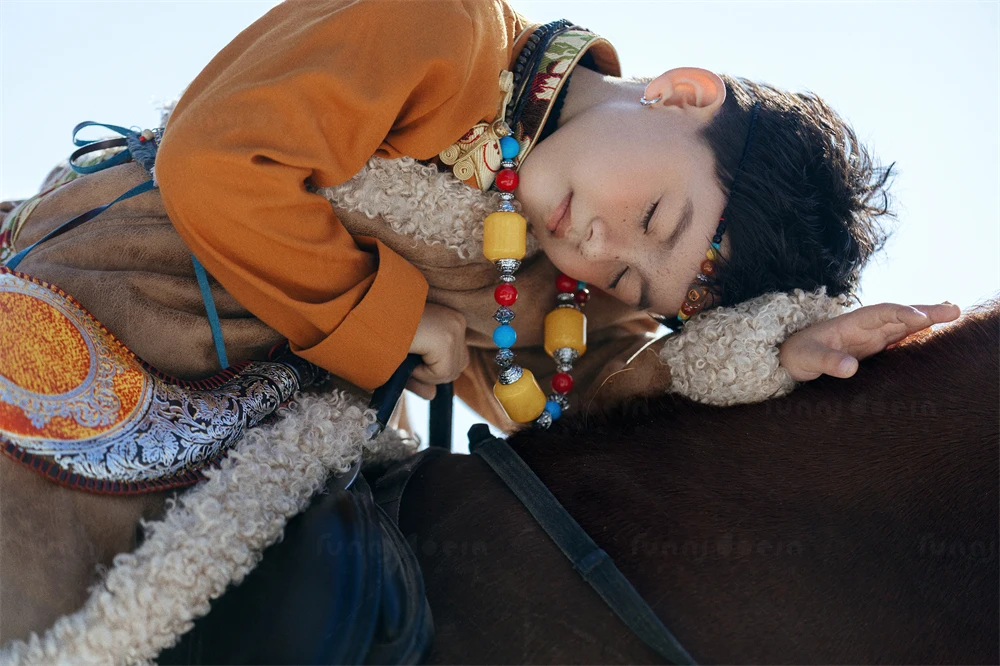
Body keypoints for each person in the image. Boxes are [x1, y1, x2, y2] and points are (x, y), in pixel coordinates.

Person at [0, 0, 957, 652]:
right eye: (657, 217)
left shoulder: (551, 280)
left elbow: (587, 400)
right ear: (682, 94)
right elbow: (220, 160)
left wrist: (772, 354)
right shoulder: (444, 30)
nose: (597, 246)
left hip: (260, 464)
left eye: (632, 275)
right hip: (97, 328)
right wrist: (388, 319)